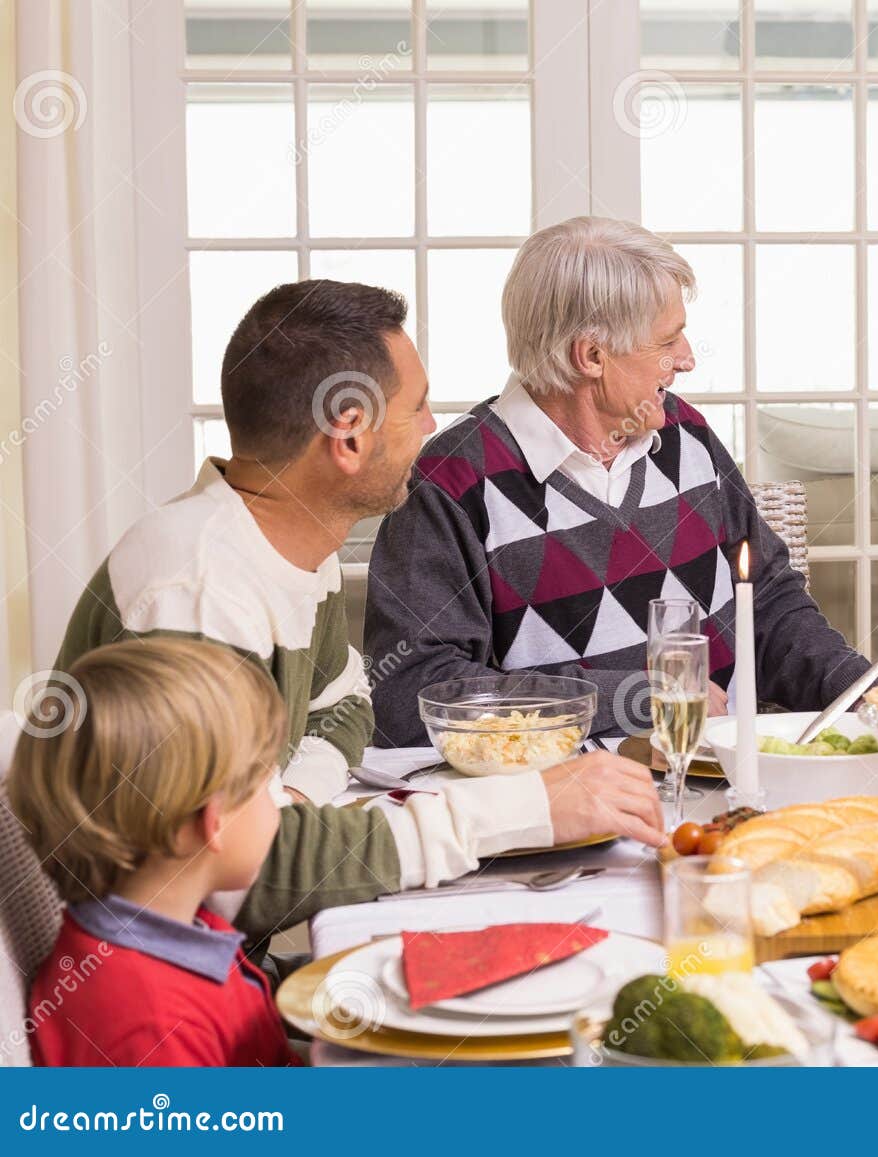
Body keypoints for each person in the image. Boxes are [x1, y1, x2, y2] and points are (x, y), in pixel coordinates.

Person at [46, 280, 665, 943]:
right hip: (165, 1005)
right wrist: (522, 809)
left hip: (218, 970)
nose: (432, 427)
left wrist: (292, 800)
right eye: (416, 407)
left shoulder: (282, 547)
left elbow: (347, 704)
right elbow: (235, 878)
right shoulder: (196, 591)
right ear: (348, 434)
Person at [364, 217, 871, 744]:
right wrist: (632, 699)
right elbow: (408, 692)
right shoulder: (452, 482)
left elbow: (766, 600)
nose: (687, 359)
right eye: (667, 342)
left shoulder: (685, 434)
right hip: (565, 808)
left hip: (733, 783)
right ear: (591, 356)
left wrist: (857, 692)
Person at [11, 640, 299, 1066]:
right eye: (264, 784)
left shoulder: (186, 929)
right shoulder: (150, 1029)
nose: (274, 804)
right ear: (213, 820)